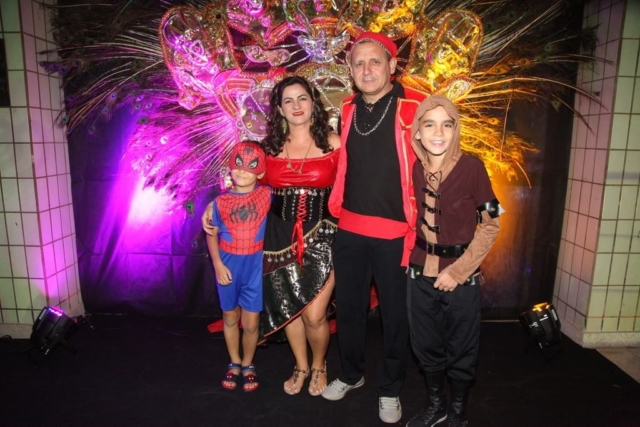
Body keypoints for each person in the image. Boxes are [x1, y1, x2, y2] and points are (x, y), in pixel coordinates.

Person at [203, 76, 341, 396]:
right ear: (279, 109)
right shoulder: (269, 148)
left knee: (315, 314)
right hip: (278, 237)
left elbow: (351, 187)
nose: (296, 106)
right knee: (289, 308)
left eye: (302, 98)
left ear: (313, 102)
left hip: (325, 234)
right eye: (288, 100)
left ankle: (319, 365)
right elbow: (244, 182)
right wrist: (213, 205)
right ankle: (300, 366)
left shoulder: (335, 143)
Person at [321, 32, 426, 424]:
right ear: (350, 70)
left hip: (397, 232)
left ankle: (390, 388)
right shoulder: (347, 108)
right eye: (359, 63)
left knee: (395, 317)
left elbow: (439, 160)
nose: (367, 70)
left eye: (375, 61)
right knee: (349, 309)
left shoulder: (415, 106)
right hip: (349, 226)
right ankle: (351, 374)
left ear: (392, 65)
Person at [405, 96, 502, 427]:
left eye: (447, 124)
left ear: (456, 129)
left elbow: (493, 223)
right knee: (425, 345)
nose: (438, 132)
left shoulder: (474, 168)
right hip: (419, 273)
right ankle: (437, 406)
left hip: (462, 276)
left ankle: (458, 413)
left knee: (462, 347)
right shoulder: (416, 169)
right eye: (429, 124)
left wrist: (459, 272)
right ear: (417, 132)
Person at [205, 141, 271, 393]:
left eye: (251, 165)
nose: (242, 170)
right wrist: (217, 265)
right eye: (238, 163)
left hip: (255, 267)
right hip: (228, 265)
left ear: (261, 171)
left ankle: (248, 363)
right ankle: (234, 361)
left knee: (251, 323)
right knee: (230, 317)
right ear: (230, 167)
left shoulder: (268, 195)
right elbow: (211, 234)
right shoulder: (219, 202)